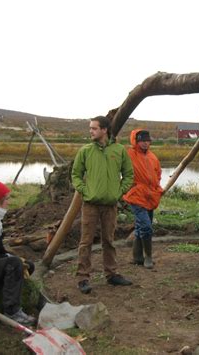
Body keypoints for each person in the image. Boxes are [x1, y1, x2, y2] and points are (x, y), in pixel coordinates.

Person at [71, 116, 134, 294]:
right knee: (86, 241)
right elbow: (75, 174)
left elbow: (129, 175)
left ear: (105, 130)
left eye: (94, 128)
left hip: (110, 204)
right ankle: (83, 278)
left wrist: (118, 192)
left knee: (109, 240)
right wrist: (84, 190)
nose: (90, 131)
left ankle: (112, 274)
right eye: (90, 128)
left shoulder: (119, 150)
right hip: (90, 204)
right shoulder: (85, 151)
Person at [0, 180, 36, 325]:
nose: (9, 202)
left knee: (28, 265)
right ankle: (12, 311)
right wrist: (8, 258)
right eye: (7, 199)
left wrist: (12, 257)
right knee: (14, 264)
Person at [123, 129, 163, 269]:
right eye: (142, 141)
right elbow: (121, 169)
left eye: (147, 141)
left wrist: (155, 187)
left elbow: (158, 173)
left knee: (141, 227)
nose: (145, 143)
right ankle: (148, 257)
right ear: (136, 141)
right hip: (136, 195)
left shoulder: (153, 157)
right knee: (146, 226)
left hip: (151, 196)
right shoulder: (128, 154)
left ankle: (137, 257)